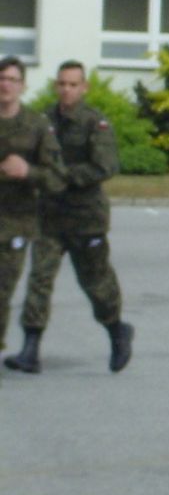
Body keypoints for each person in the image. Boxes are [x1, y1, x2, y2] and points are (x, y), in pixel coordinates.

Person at [7, 62, 133, 375]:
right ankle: (31, 348)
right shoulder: (42, 120)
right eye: (62, 84)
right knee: (40, 280)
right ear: (55, 86)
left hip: (85, 217)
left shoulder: (95, 123)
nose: (66, 90)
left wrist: (61, 176)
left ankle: (116, 329)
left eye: (73, 85)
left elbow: (105, 166)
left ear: (84, 88)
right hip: (49, 215)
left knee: (96, 282)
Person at [0, 55, 66, 384]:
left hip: (14, 223)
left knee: (1, 290)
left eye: (12, 79)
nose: (5, 85)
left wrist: (28, 171)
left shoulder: (37, 126)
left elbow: (57, 178)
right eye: (1, 79)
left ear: (23, 86)